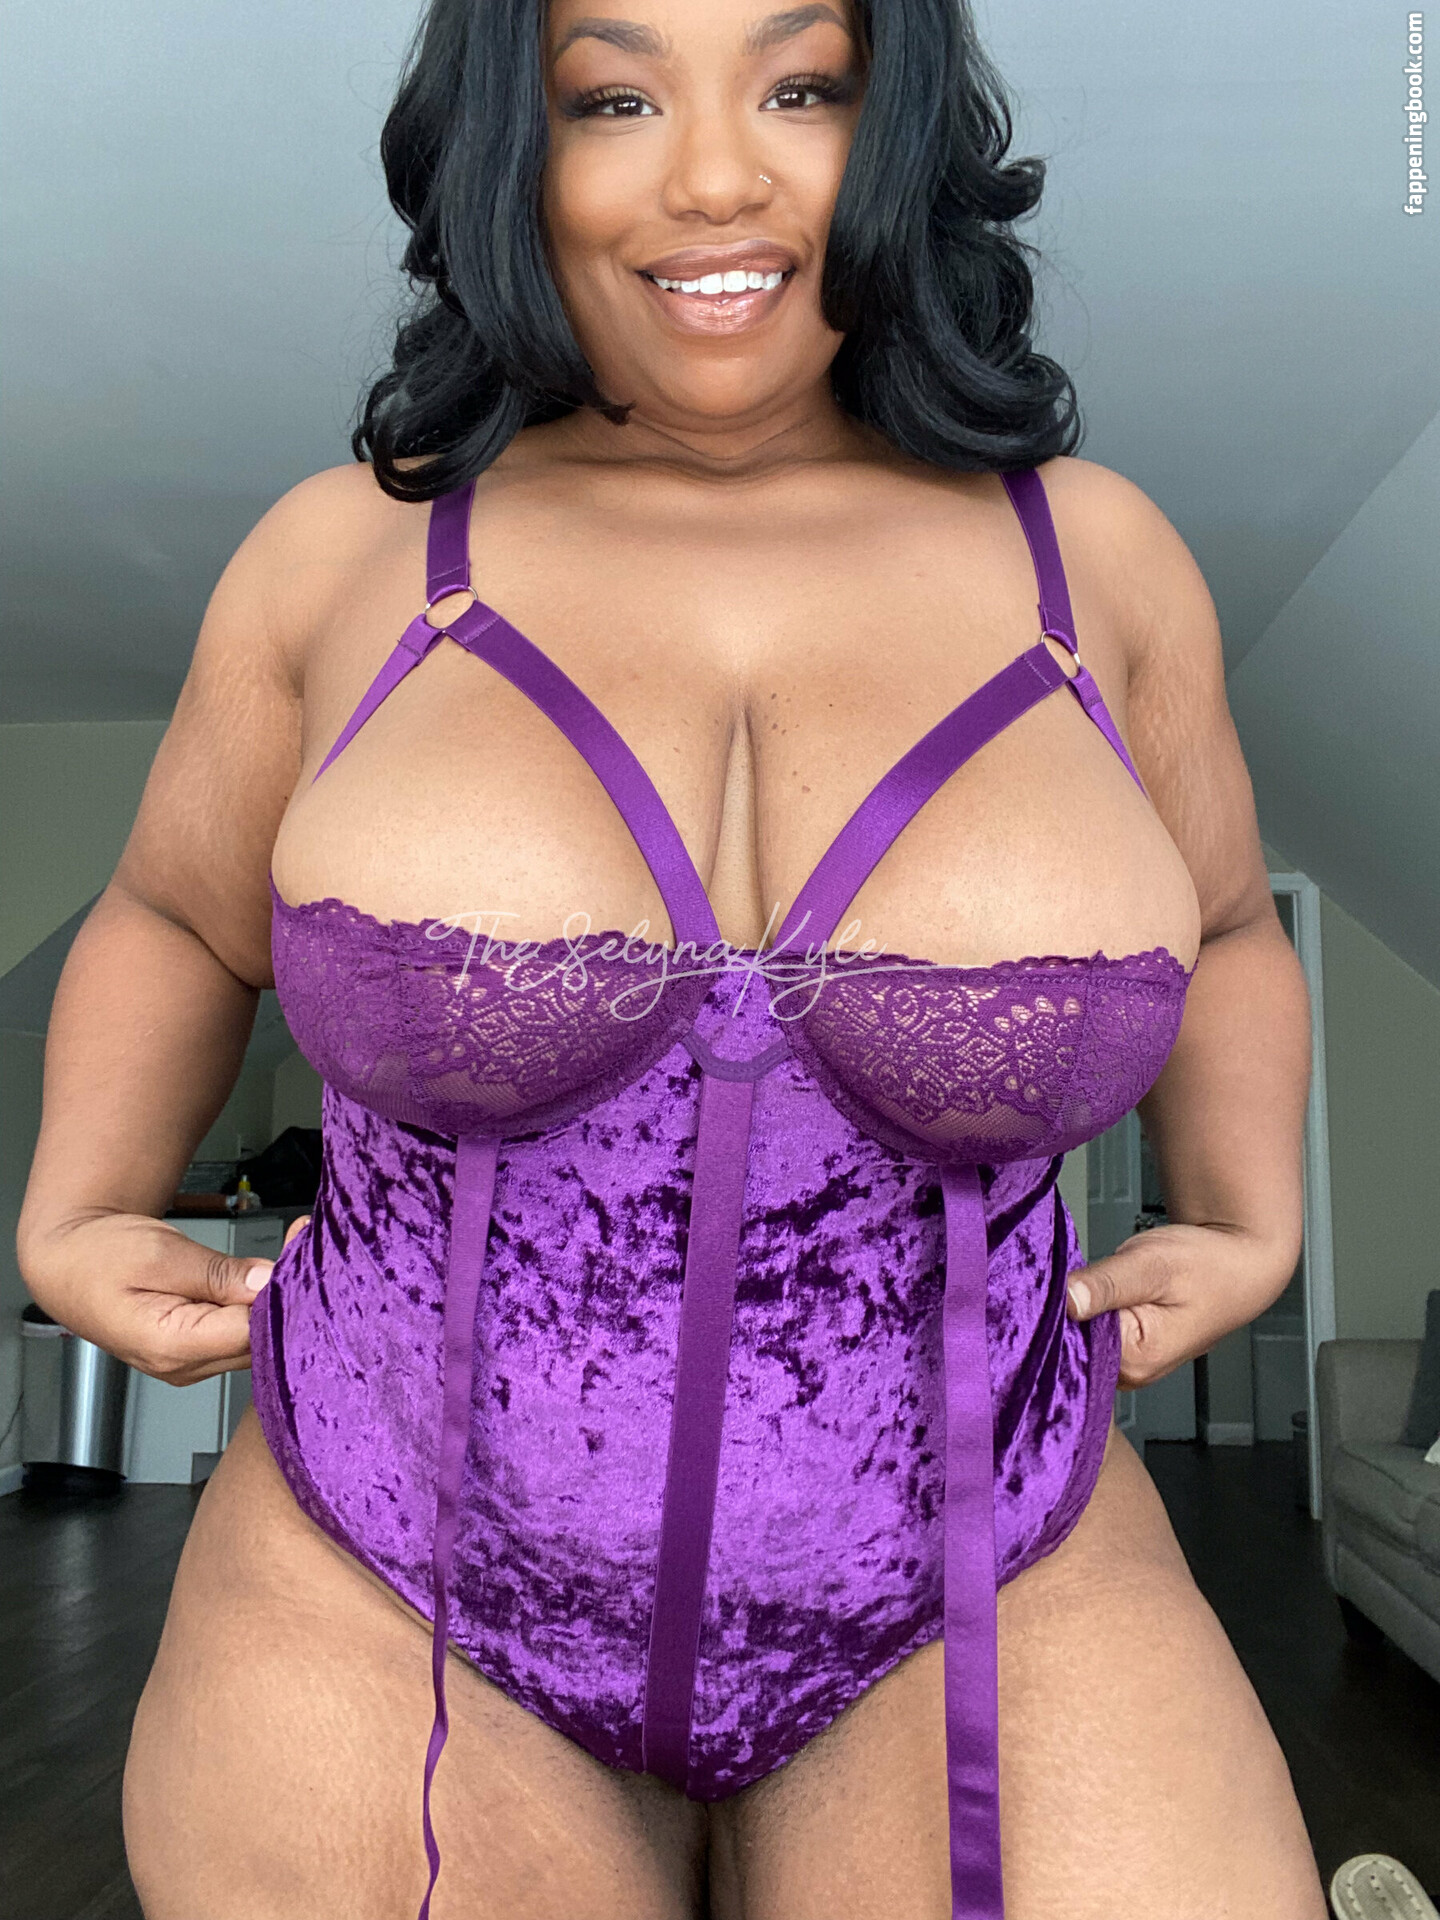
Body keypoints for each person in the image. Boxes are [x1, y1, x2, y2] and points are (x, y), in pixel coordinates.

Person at [18, 0, 1327, 1913]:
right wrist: (74, 1207)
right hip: (387, 1585)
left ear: (896, 131)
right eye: (614, 96)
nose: (717, 174)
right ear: (513, 152)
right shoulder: (344, 557)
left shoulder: (1097, 564)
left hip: (989, 1565)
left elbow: (1221, 920)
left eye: (802, 85)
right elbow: (176, 914)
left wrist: (1251, 1211)